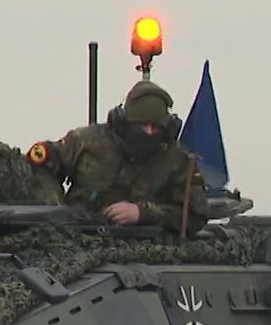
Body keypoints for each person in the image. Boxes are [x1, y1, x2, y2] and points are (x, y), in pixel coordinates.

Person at [27, 80, 208, 237]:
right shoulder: (87, 141)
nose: (149, 133)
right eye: (142, 126)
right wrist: (57, 212)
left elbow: (194, 215)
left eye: (156, 128)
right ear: (124, 122)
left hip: (142, 245)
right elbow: (41, 163)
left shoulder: (177, 160)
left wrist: (143, 213)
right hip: (76, 236)